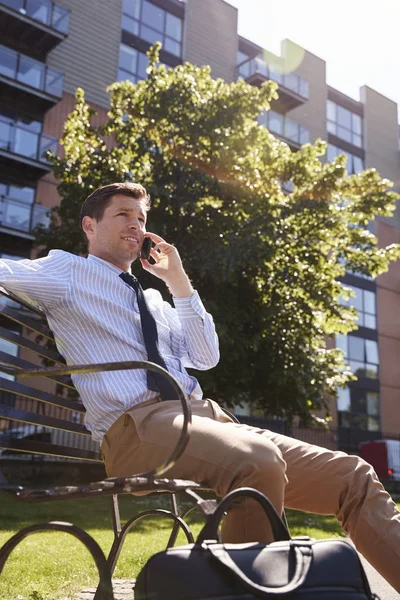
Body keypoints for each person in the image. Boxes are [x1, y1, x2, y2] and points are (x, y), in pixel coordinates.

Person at [0, 182, 399, 591]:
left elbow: (206, 355)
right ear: (89, 225)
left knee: (354, 475)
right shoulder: (67, 271)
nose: (136, 225)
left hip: (205, 419)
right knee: (256, 460)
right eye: (123, 215)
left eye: (141, 218)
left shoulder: (155, 300)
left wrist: (178, 281)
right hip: (137, 429)